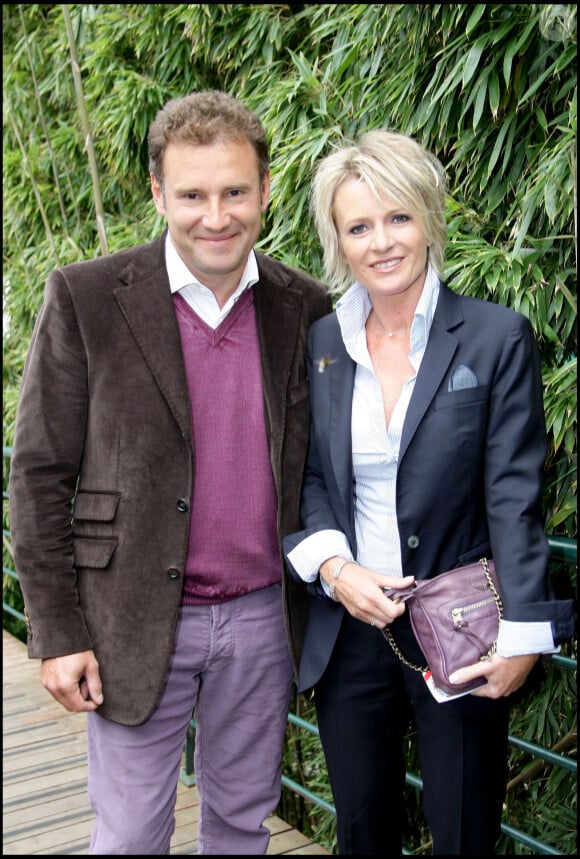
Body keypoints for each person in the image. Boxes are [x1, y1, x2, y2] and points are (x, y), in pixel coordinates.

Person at [8, 89, 332, 855]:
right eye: (191, 194)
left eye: (234, 192)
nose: (215, 215)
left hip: (260, 619)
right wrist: (57, 632)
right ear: (158, 194)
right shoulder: (87, 297)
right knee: (129, 835)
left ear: (264, 190)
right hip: (130, 617)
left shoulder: (305, 307)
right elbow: (38, 474)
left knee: (239, 827)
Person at [282, 129, 575, 855]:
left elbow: (513, 493)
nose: (381, 241)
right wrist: (335, 569)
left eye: (398, 217)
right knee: (361, 828)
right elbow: (310, 475)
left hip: (465, 625)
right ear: (338, 241)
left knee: (465, 827)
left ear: (428, 219)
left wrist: (524, 635)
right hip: (352, 626)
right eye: (359, 226)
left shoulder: (493, 336)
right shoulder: (321, 343)